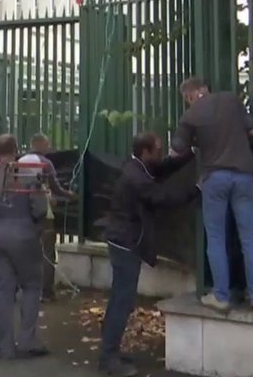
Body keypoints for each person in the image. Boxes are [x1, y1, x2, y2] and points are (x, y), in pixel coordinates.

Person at [98, 132, 198, 377]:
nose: (161, 154)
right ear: (145, 151)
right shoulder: (136, 177)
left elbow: (161, 168)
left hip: (123, 240)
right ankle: (108, 358)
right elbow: (162, 196)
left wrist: (189, 155)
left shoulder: (137, 167)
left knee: (120, 300)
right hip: (126, 243)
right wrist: (195, 189)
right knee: (122, 301)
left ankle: (109, 351)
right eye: (157, 150)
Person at [172, 76, 253, 317]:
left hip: (215, 177)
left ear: (196, 92)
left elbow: (177, 149)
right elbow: (252, 130)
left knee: (216, 238)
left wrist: (196, 141)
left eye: (188, 97)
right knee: (249, 238)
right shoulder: (231, 100)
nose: (189, 102)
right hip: (244, 175)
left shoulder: (190, 116)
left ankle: (221, 296)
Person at [0, 133, 49, 361]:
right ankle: (27, 340)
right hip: (25, 236)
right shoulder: (28, 176)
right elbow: (40, 210)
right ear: (17, 150)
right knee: (32, 285)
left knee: (4, 290)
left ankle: (4, 346)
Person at [19, 133, 75, 301]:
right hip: (43, 212)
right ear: (41, 145)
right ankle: (46, 292)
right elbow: (56, 188)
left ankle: (18, 287)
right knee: (47, 252)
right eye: (47, 144)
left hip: (22, 211)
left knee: (23, 251)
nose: (49, 147)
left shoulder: (19, 161)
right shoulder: (45, 163)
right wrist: (69, 194)